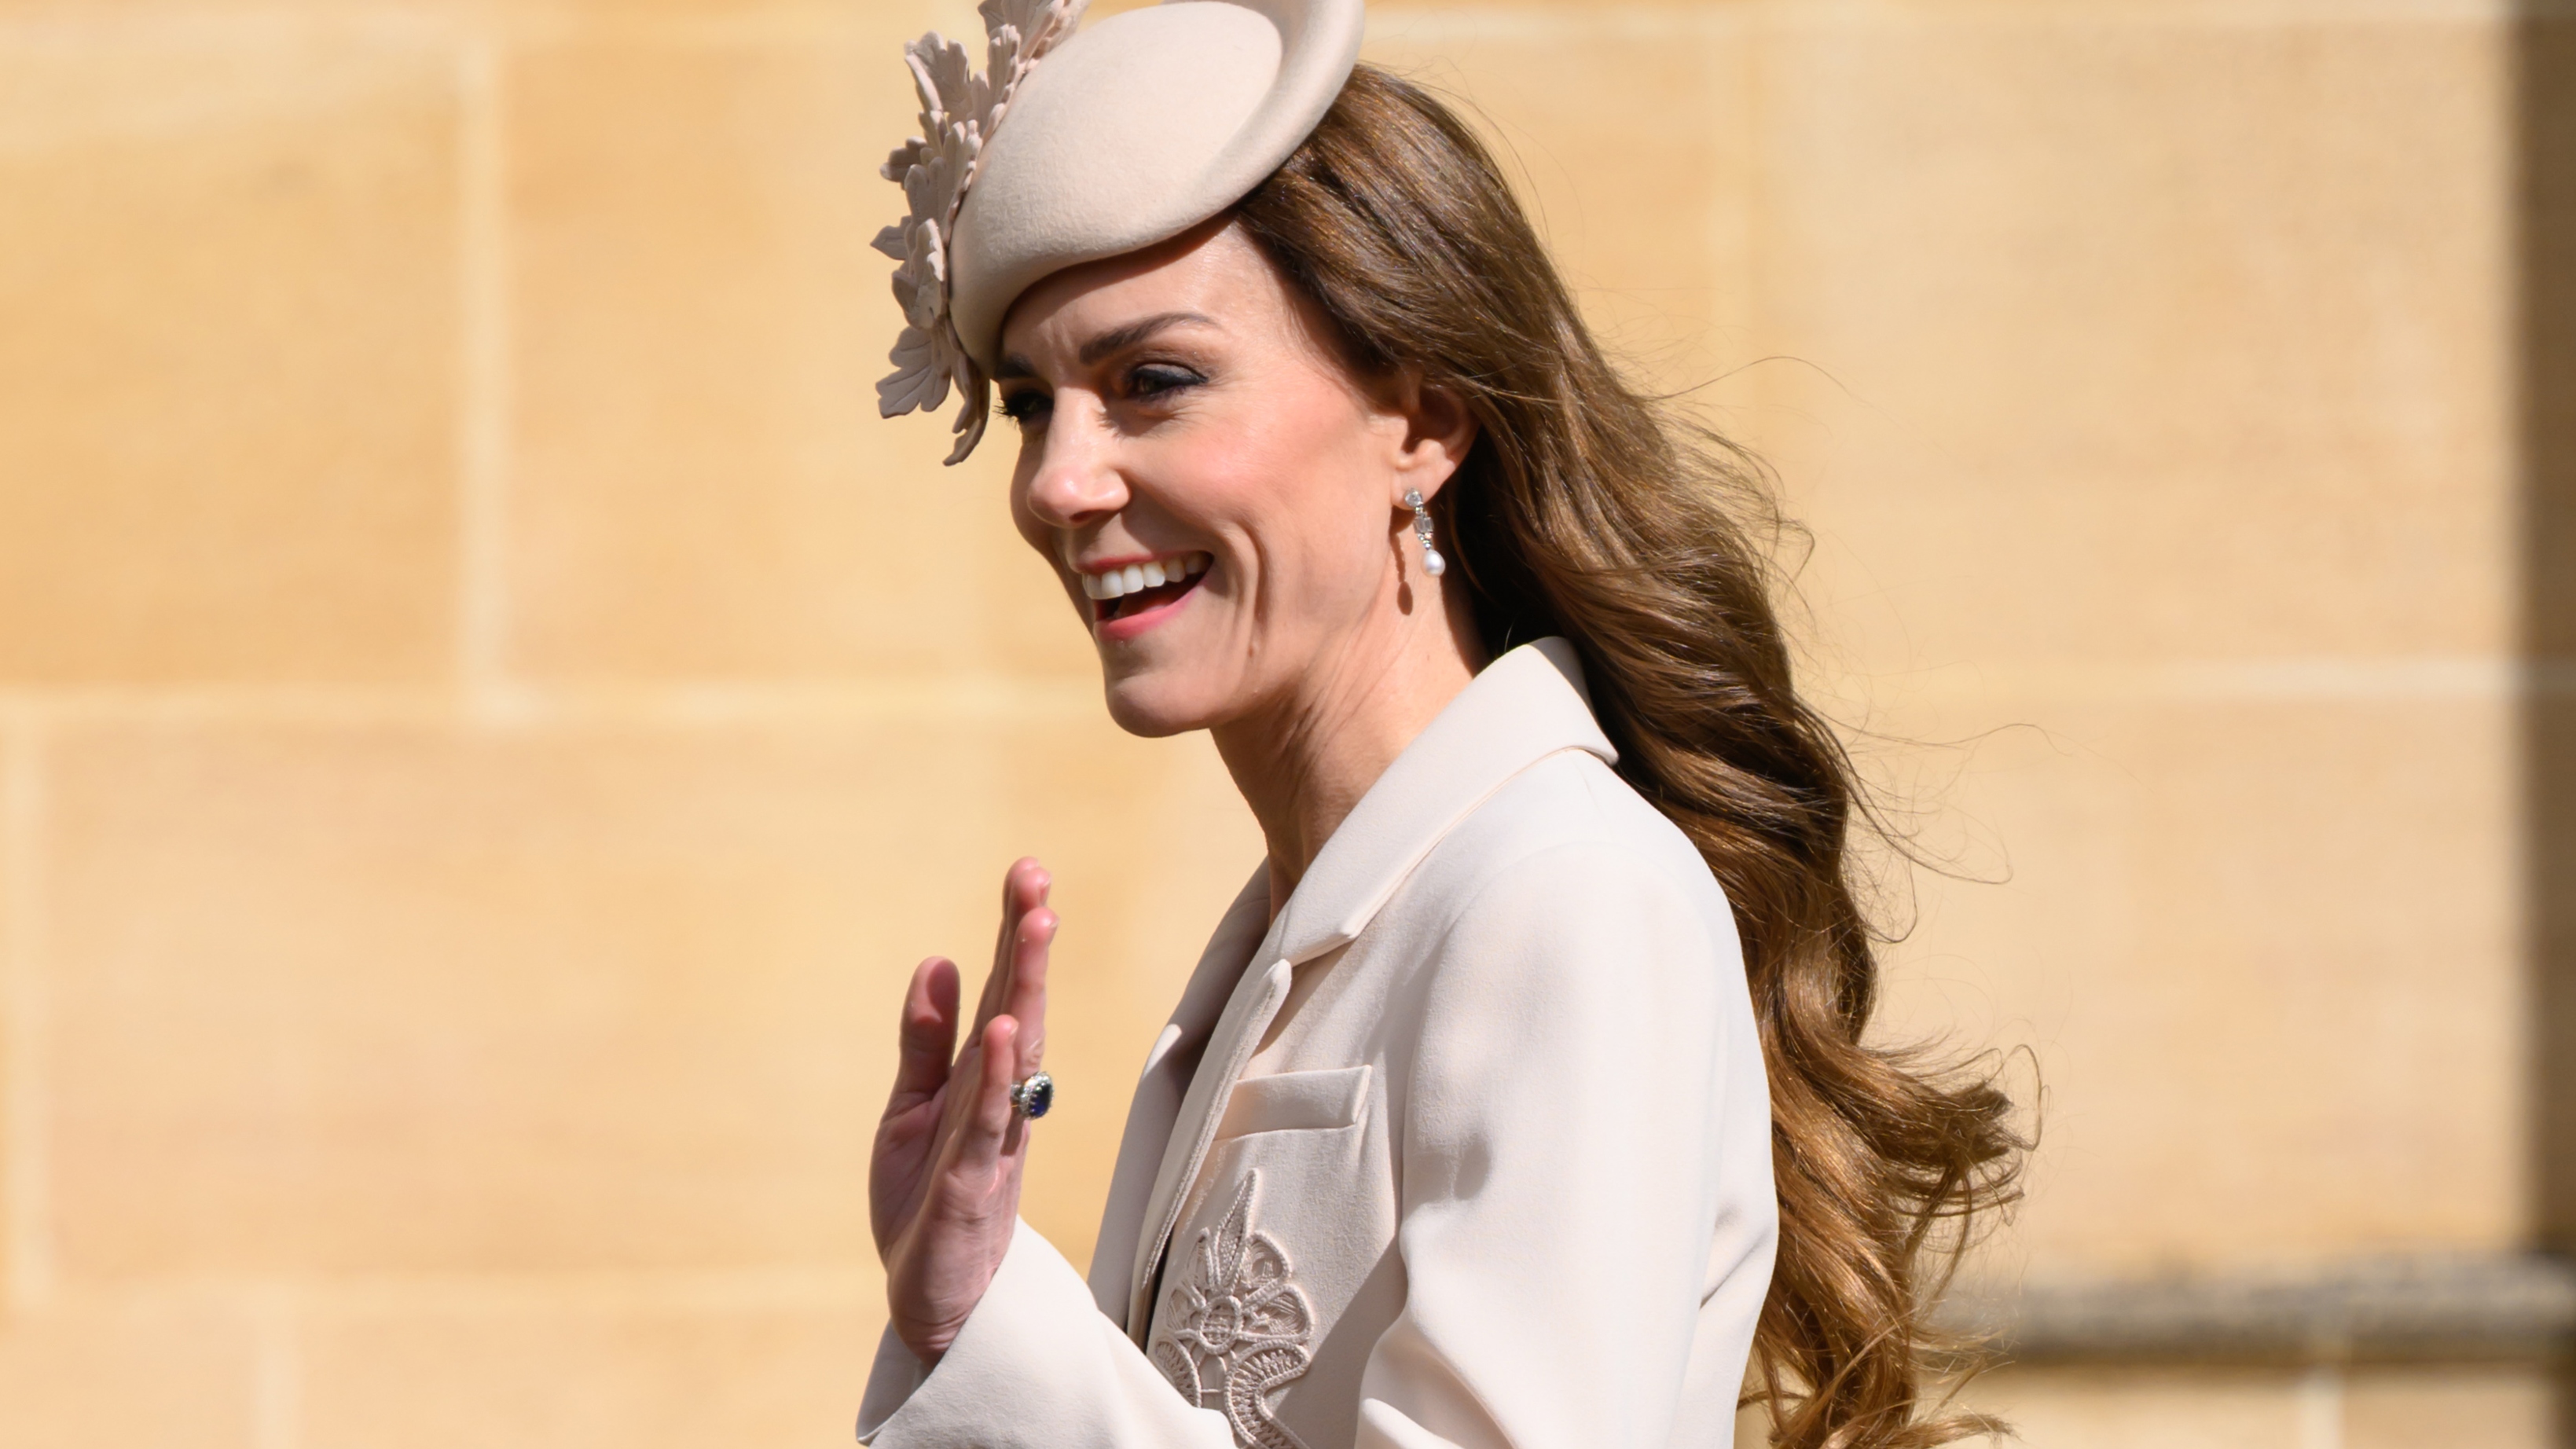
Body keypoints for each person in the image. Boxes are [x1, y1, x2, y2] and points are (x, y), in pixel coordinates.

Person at [854, 3, 2022, 1446]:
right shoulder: (1328, 931)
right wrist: (966, 1311)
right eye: (1033, 404)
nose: (1058, 483)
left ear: (1423, 418)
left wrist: (997, 1334)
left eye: (1153, 382)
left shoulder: (1559, 896)